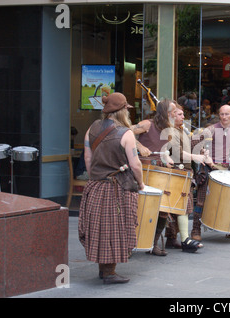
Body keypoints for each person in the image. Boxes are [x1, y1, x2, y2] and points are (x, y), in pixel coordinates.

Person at [78, 92, 145, 284]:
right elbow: (136, 165)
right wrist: (140, 183)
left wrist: (95, 178)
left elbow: (88, 159)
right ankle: (108, 272)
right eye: (126, 109)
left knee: (100, 228)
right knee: (114, 229)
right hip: (117, 188)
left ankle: (105, 269)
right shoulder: (126, 133)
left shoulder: (92, 128)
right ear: (122, 110)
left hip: (96, 185)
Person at [191, 104, 230, 241]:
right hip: (209, 168)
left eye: (227, 114)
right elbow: (195, 144)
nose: (224, 117)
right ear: (219, 115)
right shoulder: (210, 129)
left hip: (226, 168)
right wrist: (203, 154)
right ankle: (196, 230)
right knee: (201, 201)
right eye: (222, 114)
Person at [133, 99, 176, 256]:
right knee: (139, 206)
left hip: (160, 170)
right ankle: (132, 242)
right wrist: (139, 146)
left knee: (163, 209)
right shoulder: (147, 124)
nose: (174, 114)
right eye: (172, 111)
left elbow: (163, 151)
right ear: (165, 113)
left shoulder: (169, 130)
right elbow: (125, 132)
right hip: (144, 169)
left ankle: (154, 243)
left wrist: (167, 158)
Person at [167, 105, 208, 252]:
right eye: (179, 114)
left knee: (181, 206)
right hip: (177, 172)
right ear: (171, 115)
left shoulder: (181, 129)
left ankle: (173, 239)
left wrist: (200, 150)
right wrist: (194, 156)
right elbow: (177, 152)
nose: (183, 117)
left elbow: (188, 146)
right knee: (181, 206)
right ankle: (184, 240)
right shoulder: (170, 131)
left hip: (185, 172)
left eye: (183, 114)